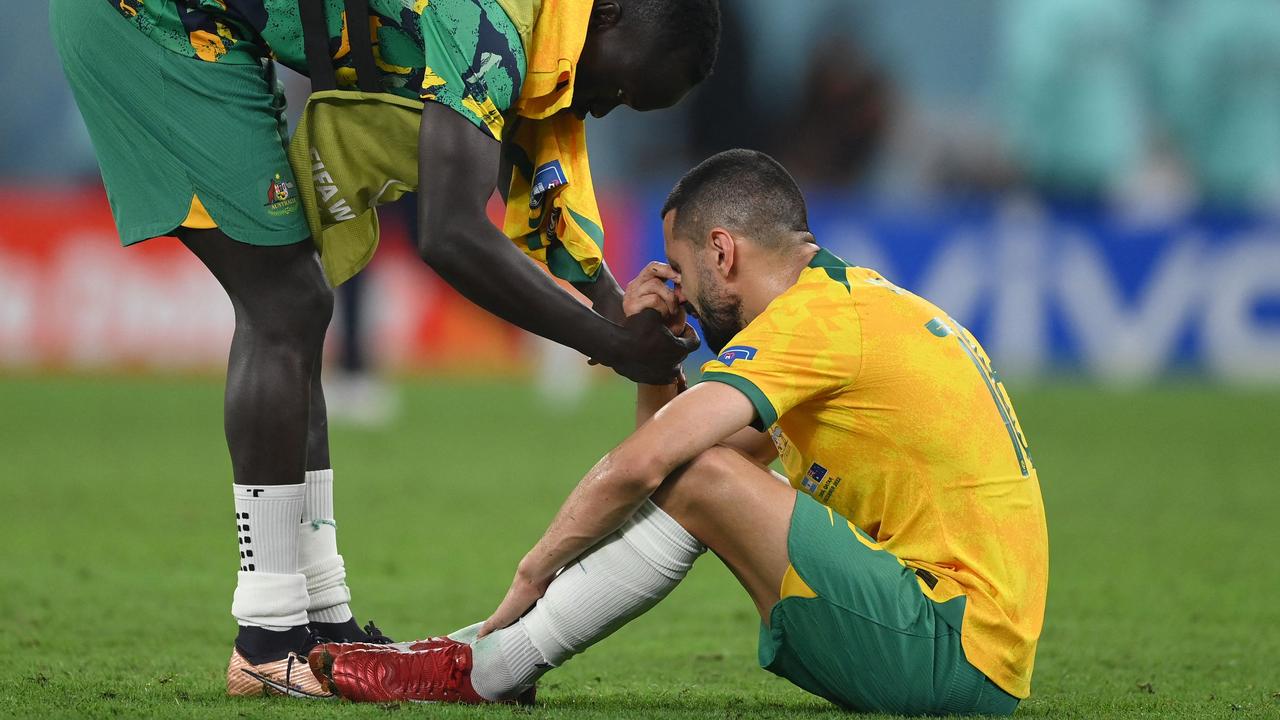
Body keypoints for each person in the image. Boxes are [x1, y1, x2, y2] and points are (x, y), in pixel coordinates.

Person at [51, 0, 716, 698]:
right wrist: (614, 342)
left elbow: (540, 183)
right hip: (148, 16)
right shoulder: (498, 22)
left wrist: (622, 313)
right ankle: (268, 635)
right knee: (284, 303)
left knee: (298, 301)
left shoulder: (552, 30)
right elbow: (451, 234)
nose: (606, 108)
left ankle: (318, 622)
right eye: (619, 87)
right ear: (606, 16)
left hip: (205, 21)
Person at [310, 150, 1049, 715]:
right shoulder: (843, 309)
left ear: (723, 251)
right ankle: (489, 658)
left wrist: (532, 574)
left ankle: (489, 666)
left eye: (685, 270)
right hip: (965, 646)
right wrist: (652, 361)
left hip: (952, 647)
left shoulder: (814, 325)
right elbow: (683, 472)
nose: (685, 296)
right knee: (703, 472)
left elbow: (661, 462)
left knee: (699, 473)